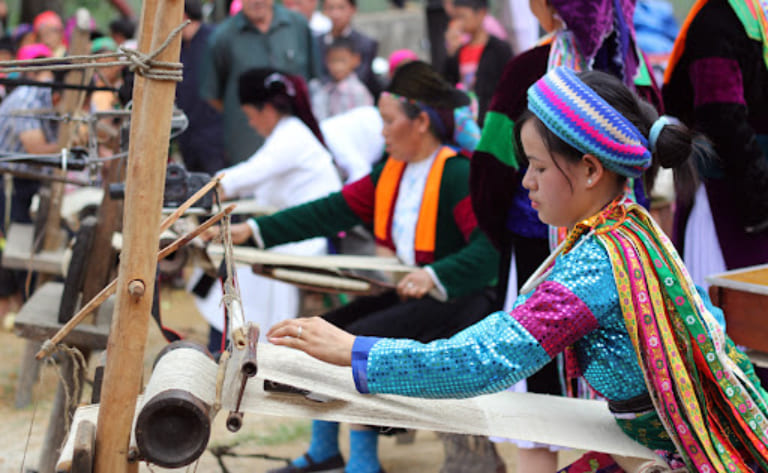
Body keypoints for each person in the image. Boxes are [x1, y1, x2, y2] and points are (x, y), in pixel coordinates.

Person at [267, 67, 768, 473]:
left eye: (538, 166)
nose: (526, 181)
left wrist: (355, 351)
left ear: (591, 170)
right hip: (678, 443)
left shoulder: (600, 264)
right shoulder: (629, 230)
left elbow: (484, 362)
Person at [205, 60, 499, 473]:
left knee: (351, 344)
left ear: (420, 123)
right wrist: (253, 231)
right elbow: (330, 212)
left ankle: (363, 463)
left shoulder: (457, 174)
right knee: (316, 333)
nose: (381, 132)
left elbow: (490, 251)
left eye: (388, 121)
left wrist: (435, 274)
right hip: (416, 294)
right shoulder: (391, 174)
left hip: (462, 302)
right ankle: (325, 450)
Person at [469, 0, 661, 469]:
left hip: (537, 251)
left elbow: (490, 170)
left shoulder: (527, 71)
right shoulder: (633, 70)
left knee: (534, 401)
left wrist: (508, 235)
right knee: (627, 402)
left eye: (538, 167)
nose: (531, 177)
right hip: (615, 243)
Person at [195, 67, 341, 351]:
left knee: (246, 268)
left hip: (305, 235)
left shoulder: (292, 136)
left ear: (267, 110)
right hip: (290, 228)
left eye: (250, 115)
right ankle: (231, 341)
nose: (250, 124)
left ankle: (253, 345)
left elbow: (247, 175)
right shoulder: (285, 135)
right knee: (236, 264)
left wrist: (201, 192)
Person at [662, 0, 768, 286]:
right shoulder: (715, 22)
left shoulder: (752, 15)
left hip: (751, 187)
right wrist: (758, 201)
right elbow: (721, 118)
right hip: (729, 193)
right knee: (724, 306)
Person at [199, 0, 321, 164]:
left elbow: (312, 78)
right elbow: (213, 95)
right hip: (248, 143)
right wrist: (254, 114)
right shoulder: (222, 37)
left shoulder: (298, 25)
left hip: (296, 139)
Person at [0, 45, 65, 322]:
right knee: (12, 240)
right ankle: (14, 300)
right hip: (10, 181)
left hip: (29, 180)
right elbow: (35, 148)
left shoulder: (56, 96)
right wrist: (69, 144)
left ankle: (20, 299)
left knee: (26, 240)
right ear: (59, 95)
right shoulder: (28, 99)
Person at [176, 0, 227, 176]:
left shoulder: (216, 38)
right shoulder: (176, 46)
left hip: (217, 134)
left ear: (182, 15)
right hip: (188, 134)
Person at [442, 0, 512, 125]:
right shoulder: (459, 51)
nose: (458, 23)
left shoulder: (499, 49)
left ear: (481, 13)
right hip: (465, 122)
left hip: (491, 121)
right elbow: (447, 83)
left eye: (462, 16)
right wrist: (451, 53)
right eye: (456, 17)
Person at [318, 0, 379, 97]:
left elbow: (363, 77)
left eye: (341, 8)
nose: (336, 14)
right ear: (324, 11)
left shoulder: (366, 44)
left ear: (353, 9)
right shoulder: (317, 42)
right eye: (330, 8)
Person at [310, 37, 373, 121]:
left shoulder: (359, 92)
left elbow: (364, 122)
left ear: (355, 60)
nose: (337, 66)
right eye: (333, 61)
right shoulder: (322, 89)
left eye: (342, 61)